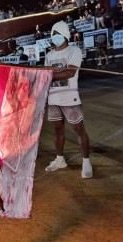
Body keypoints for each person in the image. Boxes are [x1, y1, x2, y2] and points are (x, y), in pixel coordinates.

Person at [44, 20, 93, 179]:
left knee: (79, 130)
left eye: (57, 34)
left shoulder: (74, 51)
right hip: (53, 98)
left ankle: (86, 163)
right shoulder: (49, 55)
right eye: (53, 35)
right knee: (58, 130)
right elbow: (44, 75)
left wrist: (48, 76)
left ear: (65, 35)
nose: (55, 37)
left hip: (69, 97)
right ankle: (60, 160)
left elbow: (70, 73)